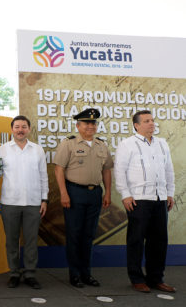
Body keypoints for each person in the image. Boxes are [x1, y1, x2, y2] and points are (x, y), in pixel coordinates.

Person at [114, 110, 176, 293]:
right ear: (136, 125)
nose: (151, 124)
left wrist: (169, 193)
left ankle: (156, 278)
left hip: (160, 198)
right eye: (147, 121)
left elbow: (169, 170)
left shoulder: (162, 143)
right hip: (138, 199)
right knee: (136, 240)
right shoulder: (127, 144)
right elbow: (120, 171)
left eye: (152, 120)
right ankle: (136, 279)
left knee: (159, 241)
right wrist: (125, 194)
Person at [54, 108, 113, 288]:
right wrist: (64, 193)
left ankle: (86, 273)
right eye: (87, 123)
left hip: (95, 193)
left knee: (88, 235)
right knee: (74, 234)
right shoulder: (68, 144)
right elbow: (59, 169)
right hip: (74, 192)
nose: (91, 126)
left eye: (93, 123)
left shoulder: (102, 145)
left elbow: (106, 170)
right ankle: (75, 274)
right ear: (78, 125)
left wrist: (108, 192)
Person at [0, 116, 48, 289]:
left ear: (29, 129)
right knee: (12, 240)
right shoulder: (2, 150)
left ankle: (30, 274)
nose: (20, 130)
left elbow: (43, 176)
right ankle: (14, 273)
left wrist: (44, 199)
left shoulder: (38, 150)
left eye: (24, 127)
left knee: (32, 240)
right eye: (17, 127)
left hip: (33, 202)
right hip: (10, 202)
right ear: (12, 129)